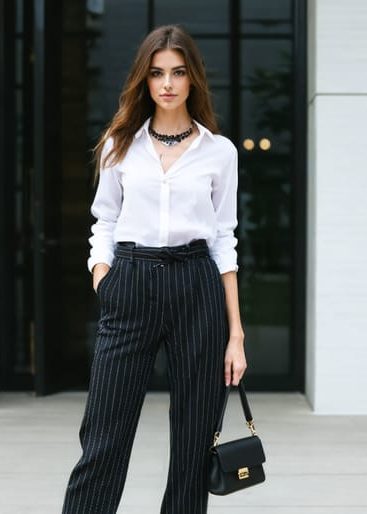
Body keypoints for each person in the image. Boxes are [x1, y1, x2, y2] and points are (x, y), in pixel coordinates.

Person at [61, 24, 246, 514]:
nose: (167, 83)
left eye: (178, 73)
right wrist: (105, 275)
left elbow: (224, 239)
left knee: (192, 442)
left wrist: (236, 334)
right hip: (131, 280)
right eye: (157, 73)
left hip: (197, 285)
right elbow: (105, 220)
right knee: (103, 435)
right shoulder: (119, 145)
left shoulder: (219, 152)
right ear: (144, 79)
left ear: (193, 80)